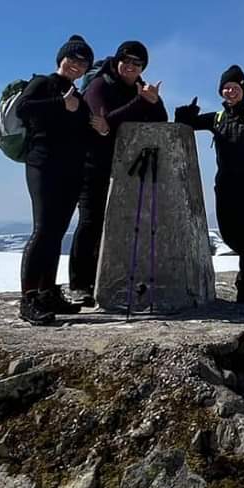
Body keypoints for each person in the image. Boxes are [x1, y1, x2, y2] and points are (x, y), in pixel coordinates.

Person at [68, 40, 168, 304]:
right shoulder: (100, 84)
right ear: (117, 60)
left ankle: (107, 277)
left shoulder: (140, 88)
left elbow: (161, 121)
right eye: (127, 60)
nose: (131, 67)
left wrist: (153, 101)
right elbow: (102, 121)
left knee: (119, 223)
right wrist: (141, 101)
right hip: (92, 166)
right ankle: (80, 283)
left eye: (138, 63)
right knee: (91, 222)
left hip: (125, 169)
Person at [176, 65, 244, 302]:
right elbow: (188, 124)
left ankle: (243, 287)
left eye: (234, 87)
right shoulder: (218, 118)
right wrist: (184, 114)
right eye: (225, 88)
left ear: (243, 88)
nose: (230, 92)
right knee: (230, 236)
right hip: (225, 186)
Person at [14, 34, 96, 325]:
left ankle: (48, 292)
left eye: (83, 61)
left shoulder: (78, 96)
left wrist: (99, 127)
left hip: (71, 170)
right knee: (44, 229)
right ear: (61, 59)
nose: (77, 64)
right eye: (72, 58)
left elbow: (83, 132)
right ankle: (29, 299)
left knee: (57, 232)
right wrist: (59, 105)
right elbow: (23, 109)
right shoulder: (43, 84)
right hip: (43, 165)